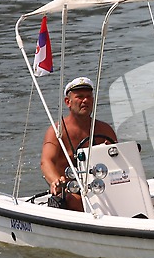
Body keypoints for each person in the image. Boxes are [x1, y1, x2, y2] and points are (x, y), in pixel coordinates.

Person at [41, 76, 118, 211]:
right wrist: (55, 181)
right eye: (80, 97)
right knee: (72, 200)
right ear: (68, 102)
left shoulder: (105, 129)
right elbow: (46, 161)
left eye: (89, 96)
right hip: (73, 192)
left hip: (103, 189)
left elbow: (119, 161)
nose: (85, 101)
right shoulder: (57, 131)